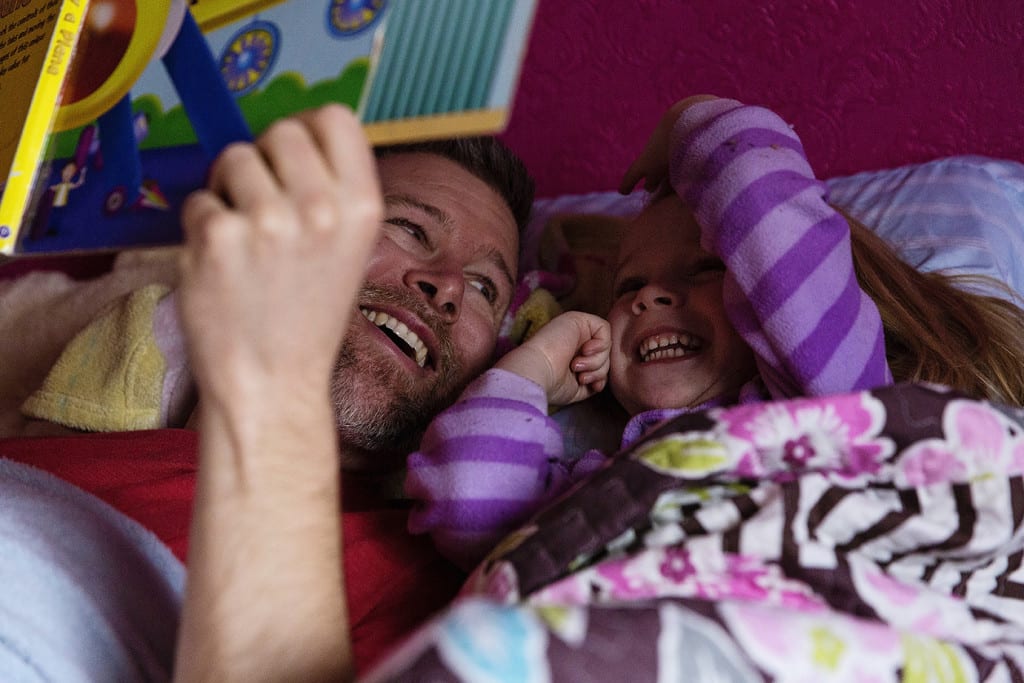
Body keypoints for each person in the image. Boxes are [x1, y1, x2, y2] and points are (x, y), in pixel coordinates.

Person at [0, 103, 534, 680]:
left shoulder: (427, 594)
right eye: (409, 227)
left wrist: (272, 380)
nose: (449, 286)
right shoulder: (60, 447)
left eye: (485, 286)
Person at [405, 95, 1024, 570]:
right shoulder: (588, 481)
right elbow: (469, 506)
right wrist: (534, 366)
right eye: (626, 287)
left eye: (705, 268)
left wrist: (693, 121)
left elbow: (770, 218)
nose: (650, 295)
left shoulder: (833, 408)